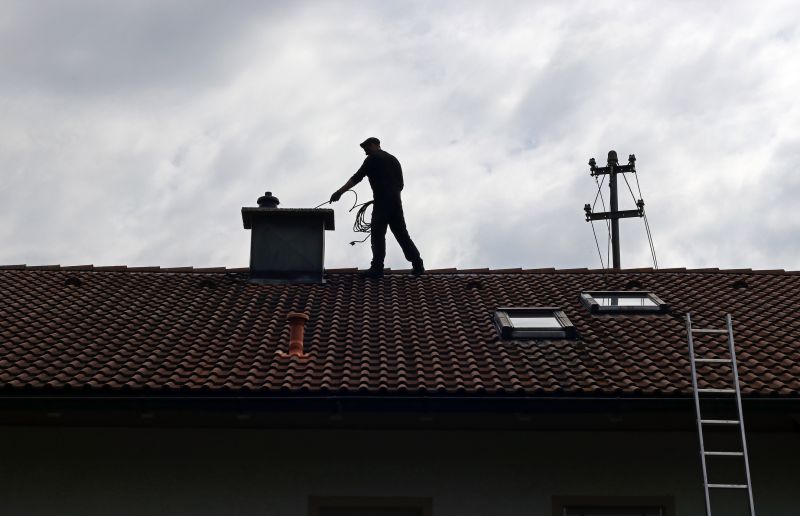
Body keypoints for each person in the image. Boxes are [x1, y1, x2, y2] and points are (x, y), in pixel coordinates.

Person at [330, 137, 424, 278]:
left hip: (382, 203)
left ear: (375, 145)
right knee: (402, 234)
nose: (365, 152)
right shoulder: (394, 160)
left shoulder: (373, 158)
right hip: (396, 203)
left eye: (366, 148)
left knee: (377, 234)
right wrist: (391, 194)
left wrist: (339, 192)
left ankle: (377, 268)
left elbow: (357, 177)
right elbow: (401, 185)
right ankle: (418, 264)